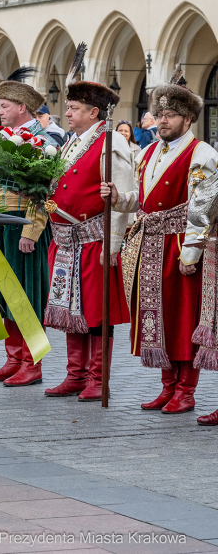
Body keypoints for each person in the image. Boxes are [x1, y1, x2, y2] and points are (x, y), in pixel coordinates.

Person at [103, 68, 216, 414]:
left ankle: (186, 389)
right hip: (150, 243)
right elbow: (141, 198)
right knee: (158, 317)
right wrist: (117, 197)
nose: (162, 120)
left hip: (180, 243)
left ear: (188, 118)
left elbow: (203, 206)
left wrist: (192, 252)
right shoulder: (149, 152)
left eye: (170, 115)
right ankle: (167, 385)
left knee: (183, 318)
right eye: (160, 114)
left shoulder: (203, 154)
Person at [43, 72, 133, 402]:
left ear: (94, 112)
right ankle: (75, 374)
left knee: (96, 312)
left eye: (73, 107)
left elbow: (123, 197)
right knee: (69, 311)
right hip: (66, 241)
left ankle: (98, 377)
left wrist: (113, 244)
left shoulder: (112, 142)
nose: (66, 113)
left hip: (94, 239)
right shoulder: (71, 142)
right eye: (67, 107)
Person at [0, 69, 53, 387]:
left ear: (21, 107)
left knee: (27, 295)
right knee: (5, 293)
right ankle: (13, 359)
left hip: (23, 227)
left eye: (4, 106)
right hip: (1, 226)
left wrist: (31, 231)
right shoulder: (2, 139)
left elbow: (45, 191)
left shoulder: (43, 142)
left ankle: (31, 363)